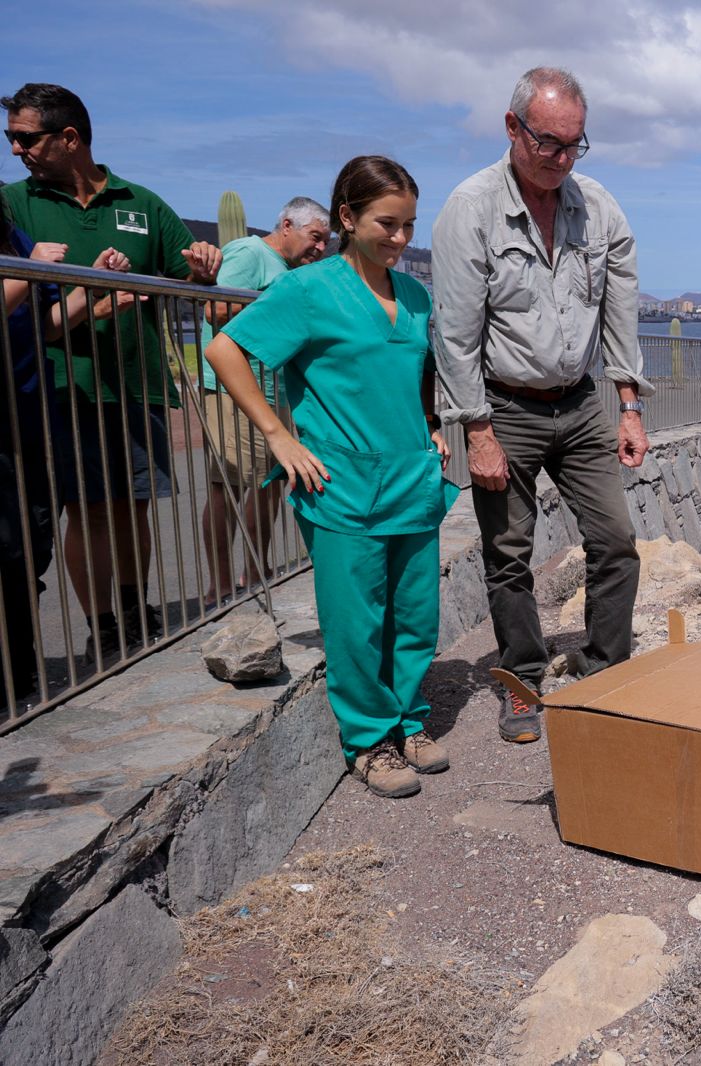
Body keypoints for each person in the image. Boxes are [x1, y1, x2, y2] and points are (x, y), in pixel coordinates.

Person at [203, 156, 457, 799]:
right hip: (341, 483)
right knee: (356, 620)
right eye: (386, 224)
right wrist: (277, 435)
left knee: (414, 615)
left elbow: (409, 373)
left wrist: (427, 425)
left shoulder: (417, 296)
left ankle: (408, 720)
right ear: (346, 217)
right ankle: (369, 740)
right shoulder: (308, 289)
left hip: (410, 477)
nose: (401, 239)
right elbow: (225, 349)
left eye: (408, 226)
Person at [432, 66, 652, 745]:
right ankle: (521, 681)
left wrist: (629, 402)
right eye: (548, 142)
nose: (559, 158)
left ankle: (606, 665)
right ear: (512, 127)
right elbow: (455, 332)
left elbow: (620, 310)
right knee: (507, 555)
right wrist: (477, 429)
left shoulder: (600, 207)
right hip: (505, 407)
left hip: (582, 401)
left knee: (616, 540)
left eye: (573, 145)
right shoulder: (469, 209)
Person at [3, 83, 221, 662]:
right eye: (11, 140)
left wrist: (204, 265)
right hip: (61, 387)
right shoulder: (13, 204)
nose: (16, 151)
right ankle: (103, 626)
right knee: (89, 510)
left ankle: (133, 608)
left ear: (69, 137)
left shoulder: (142, 204)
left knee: (135, 506)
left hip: (136, 381)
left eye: (24, 139)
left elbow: (189, 277)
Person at [2, 191, 137, 700]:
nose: (18, 150)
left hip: (29, 408)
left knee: (31, 543)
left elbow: (47, 324)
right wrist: (27, 271)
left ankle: (19, 669)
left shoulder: (13, 235)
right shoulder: (23, 254)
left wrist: (92, 278)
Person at [198, 196, 331, 607]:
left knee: (269, 484)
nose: (321, 248)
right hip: (233, 388)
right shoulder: (251, 252)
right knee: (230, 486)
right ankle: (221, 584)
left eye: (326, 241)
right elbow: (214, 309)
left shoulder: (287, 269)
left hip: (269, 387)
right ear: (287, 226)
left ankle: (256, 570)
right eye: (315, 237)